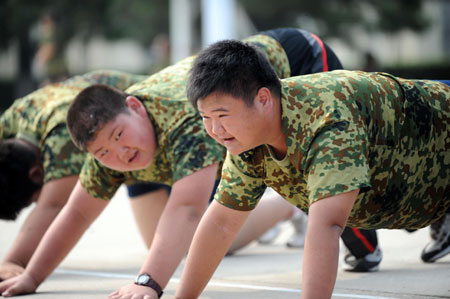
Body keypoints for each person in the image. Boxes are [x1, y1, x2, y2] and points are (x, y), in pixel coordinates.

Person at [0, 29, 306, 299]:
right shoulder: (110, 152)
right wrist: (30, 277)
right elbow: (77, 213)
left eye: (118, 137)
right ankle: (285, 206)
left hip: (291, 60)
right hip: (151, 142)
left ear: (135, 107)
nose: (118, 152)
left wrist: (148, 282)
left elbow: (187, 209)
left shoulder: (185, 121)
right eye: (104, 152)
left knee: (324, 191)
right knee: (176, 242)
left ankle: (294, 198)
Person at [174, 39, 450, 299]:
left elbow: (327, 225)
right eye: (206, 118)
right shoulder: (245, 139)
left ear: (263, 99)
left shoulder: (327, 118)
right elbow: (222, 223)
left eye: (222, 115)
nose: (215, 130)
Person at [230, 29, 383, 274]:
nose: (216, 127)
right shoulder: (209, 108)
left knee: (332, 162)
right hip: (271, 73)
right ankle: (289, 212)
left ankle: (365, 247)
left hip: (306, 56)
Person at [0, 70, 146, 281]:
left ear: (37, 174)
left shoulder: (61, 133)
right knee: (171, 244)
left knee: (192, 234)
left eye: (35, 199)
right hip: (136, 160)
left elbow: (53, 205)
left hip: (167, 136)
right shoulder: (16, 114)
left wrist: (14, 261)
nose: (38, 204)